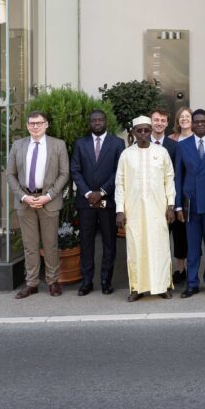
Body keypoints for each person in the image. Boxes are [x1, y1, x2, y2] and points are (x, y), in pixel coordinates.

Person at [6, 111, 71, 299]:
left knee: (50, 244)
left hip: (48, 201)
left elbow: (64, 174)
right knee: (30, 245)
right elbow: (10, 174)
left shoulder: (58, 145)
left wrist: (48, 196)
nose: (35, 126)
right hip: (26, 201)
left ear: (46, 125)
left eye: (39, 123)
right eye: (32, 123)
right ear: (27, 126)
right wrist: (24, 197)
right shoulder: (18, 145)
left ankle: (53, 282)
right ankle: (32, 283)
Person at [115, 116, 177, 302]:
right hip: (133, 211)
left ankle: (162, 285)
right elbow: (120, 183)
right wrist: (120, 210)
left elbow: (169, 180)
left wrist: (171, 206)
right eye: (139, 130)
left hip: (158, 209)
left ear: (151, 131)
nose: (143, 134)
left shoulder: (162, 152)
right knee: (136, 247)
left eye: (146, 130)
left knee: (160, 247)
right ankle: (137, 288)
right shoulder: (126, 154)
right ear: (133, 133)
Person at [70, 110, 124, 296]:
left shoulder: (118, 143)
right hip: (86, 203)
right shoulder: (80, 143)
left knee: (109, 243)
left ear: (105, 121)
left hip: (107, 202)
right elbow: (75, 170)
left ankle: (105, 281)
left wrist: (101, 192)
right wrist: (87, 193)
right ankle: (87, 281)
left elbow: (119, 171)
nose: (97, 123)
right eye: (94, 120)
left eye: (100, 120)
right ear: (90, 123)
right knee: (86, 243)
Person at [174, 109, 205, 298]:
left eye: (203, 121)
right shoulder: (183, 145)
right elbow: (179, 176)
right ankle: (192, 283)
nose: (200, 124)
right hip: (190, 204)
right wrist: (178, 205)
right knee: (192, 246)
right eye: (197, 122)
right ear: (192, 124)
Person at [150, 108, 186, 284]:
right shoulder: (142, 142)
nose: (159, 123)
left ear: (166, 123)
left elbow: (178, 174)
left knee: (179, 236)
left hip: (172, 198)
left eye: (162, 121)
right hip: (151, 201)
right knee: (157, 238)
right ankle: (159, 272)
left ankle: (180, 269)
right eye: (156, 120)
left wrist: (175, 203)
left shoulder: (174, 146)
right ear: (151, 121)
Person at [168, 105, 193, 281]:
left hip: (191, 192)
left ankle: (193, 268)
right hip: (174, 190)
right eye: (181, 117)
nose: (184, 119)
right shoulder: (171, 140)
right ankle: (180, 268)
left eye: (187, 116)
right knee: (178, 232)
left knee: (191, 232)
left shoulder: (197, 138)